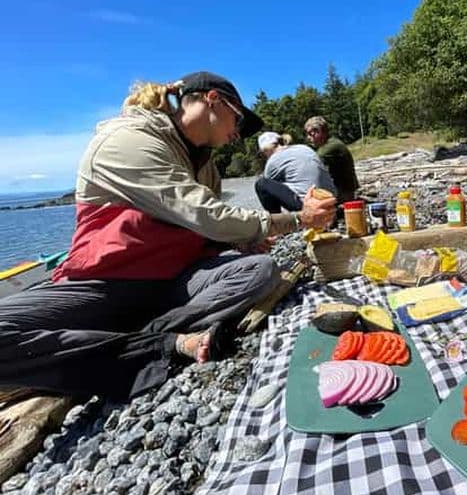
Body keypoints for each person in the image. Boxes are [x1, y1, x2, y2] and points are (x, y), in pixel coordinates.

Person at [0, 71, 336, 400]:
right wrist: (297, 218)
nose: (237, 134)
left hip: (173, 281)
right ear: (212, 100)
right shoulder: (128, 140)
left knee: (260, 270)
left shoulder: (206, 165)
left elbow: (201, 228)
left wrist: (237, 240)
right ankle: (162, 342)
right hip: (105, 284)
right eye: (237, 120)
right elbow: (205, 214)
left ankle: (131, 340)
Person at [254, 131, 338, 212]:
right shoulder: (303, 147)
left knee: (261, 184)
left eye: (262, 154)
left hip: (310, 205)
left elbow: (270, 189)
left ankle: (277, 220)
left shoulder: (273, 161)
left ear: (265, 151)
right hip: (332, 200)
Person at [304, 116, 359, 202]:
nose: (308, 137)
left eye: (310, 134)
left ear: (319, 132)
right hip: (343, 191)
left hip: (344, 194)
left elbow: (312, 162)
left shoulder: (331, 146)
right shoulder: (331, 143)